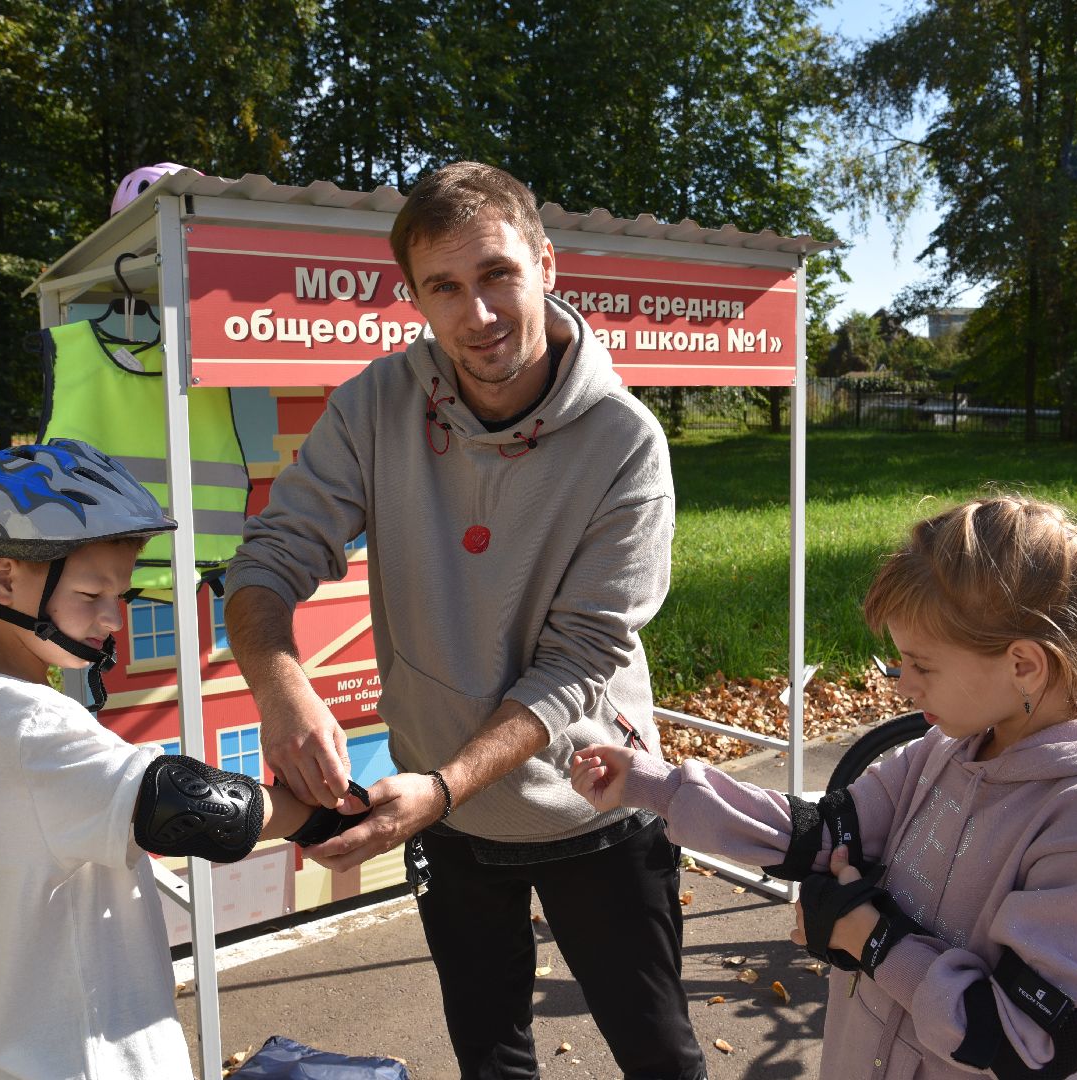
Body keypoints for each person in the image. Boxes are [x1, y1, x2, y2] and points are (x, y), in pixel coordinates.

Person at [224, 161, 707, 1079]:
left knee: (659, 1053)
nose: (476, 314)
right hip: (443, 818)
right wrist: (281, 691)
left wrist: (442, 786)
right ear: (412, 298)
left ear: (546, 266)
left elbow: (581, 658)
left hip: (593, 799)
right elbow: (269, 560)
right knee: (489, 1054)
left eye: (496, 275)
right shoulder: (376, 404)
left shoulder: (624, 439)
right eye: (444, 287)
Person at [571, 495, 1077, 1079]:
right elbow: (820, 830)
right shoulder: (943, 751)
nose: (904, 686)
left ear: (1023, 663)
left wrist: (871, 940)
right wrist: (654, 786)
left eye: (922, 664)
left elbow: (1036, 1042)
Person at [0, 439, 366, 1079]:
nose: (113, 618)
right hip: (90, 1059)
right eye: (89, 594)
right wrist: (326, 817)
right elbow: (188, 806)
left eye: (123, 596)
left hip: (19, 1053)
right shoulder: (23, 721)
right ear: (2, 578)